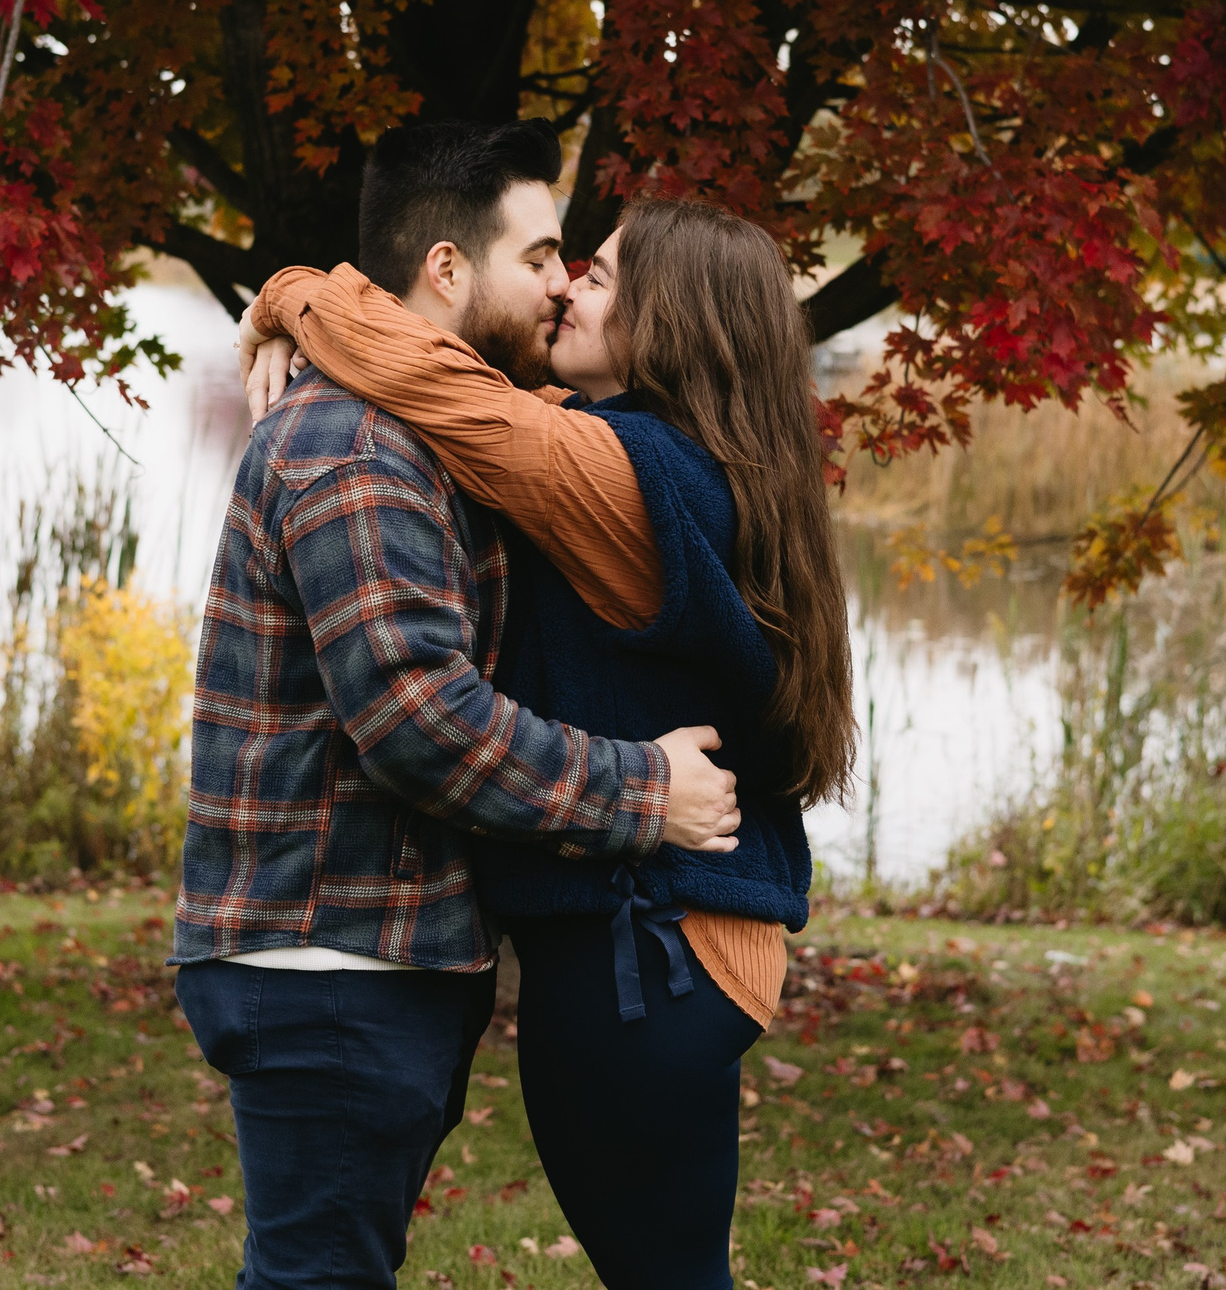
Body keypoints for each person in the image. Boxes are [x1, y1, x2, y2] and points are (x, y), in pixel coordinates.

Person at [240, 194, 857, 1290]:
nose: (568, 284)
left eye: (603, 276)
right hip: (678, 946)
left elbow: (435, 384)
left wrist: (292, 292)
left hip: (649, 955)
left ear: (675, 321)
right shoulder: (698, 466)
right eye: (566, 263)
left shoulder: (617, 472)